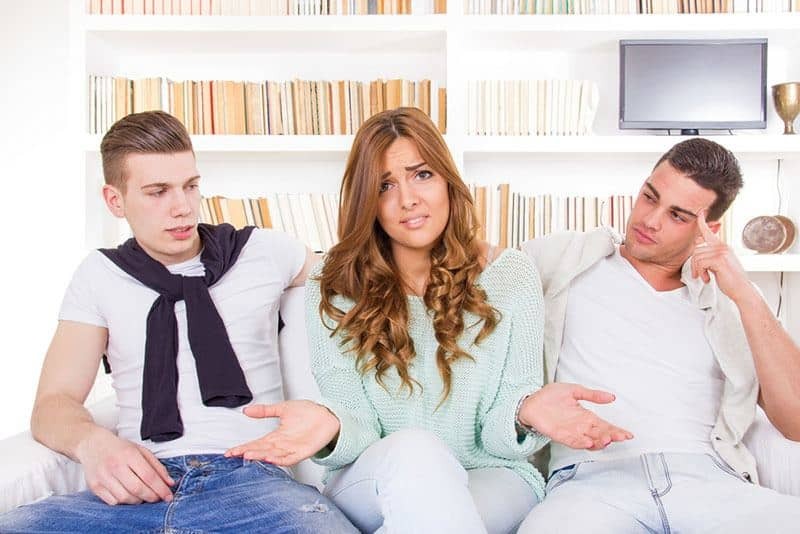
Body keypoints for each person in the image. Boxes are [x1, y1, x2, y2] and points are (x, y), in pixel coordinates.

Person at [225, 107, 633, 534]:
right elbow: (357, 426)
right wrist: (332, 425)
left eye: (421, 175)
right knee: (417, 454)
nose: (408, 200)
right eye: (385, 186)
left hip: (492, 475)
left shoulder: (510, 274)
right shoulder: (333, 285)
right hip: (373, 477)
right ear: (368, 201)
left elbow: (501, 424)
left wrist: (525, 411)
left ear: (446, 179)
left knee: (432, 512)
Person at [0, 111, 357, 533]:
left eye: (190, 186)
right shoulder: (99, 276)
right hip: (137, 488)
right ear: (115, 200)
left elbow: (366, 277)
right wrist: (94, 444)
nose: (182, 207)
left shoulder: (263, 251)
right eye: (157, 192)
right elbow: (53, 403)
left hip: (252, 485)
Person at [517, 138, 800, 533]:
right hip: (591, 483)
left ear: (709, 229)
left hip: (709, 480)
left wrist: (745, 295)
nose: (650, 220)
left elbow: (796, 421)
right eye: (650, 197)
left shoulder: (727, 301)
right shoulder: (563, 259)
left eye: (678, 216)